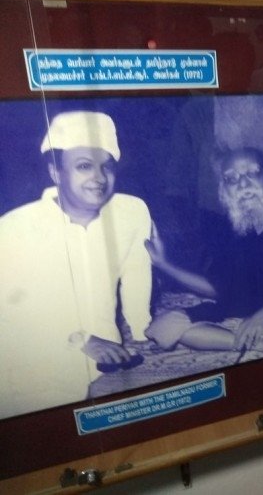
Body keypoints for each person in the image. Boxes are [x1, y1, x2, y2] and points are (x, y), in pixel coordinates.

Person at [0, 111, 153, 418]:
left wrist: (142, 330)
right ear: (55, 172)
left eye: (106, 166)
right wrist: (78, 340)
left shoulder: (132, 212)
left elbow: (137, 273)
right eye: (84, 166)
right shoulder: (15, 228)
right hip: (37, 357)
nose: (99, 178)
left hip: (109, 358)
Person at [145, 146, 263, 357]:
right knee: (165, 325)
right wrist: (163, 265)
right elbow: (218, 288)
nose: (243, 184)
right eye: (232, 179)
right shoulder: (225, 230)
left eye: (252, 173)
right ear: (224, 189)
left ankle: (236, 339)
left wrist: (262, 315)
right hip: (230, 315)